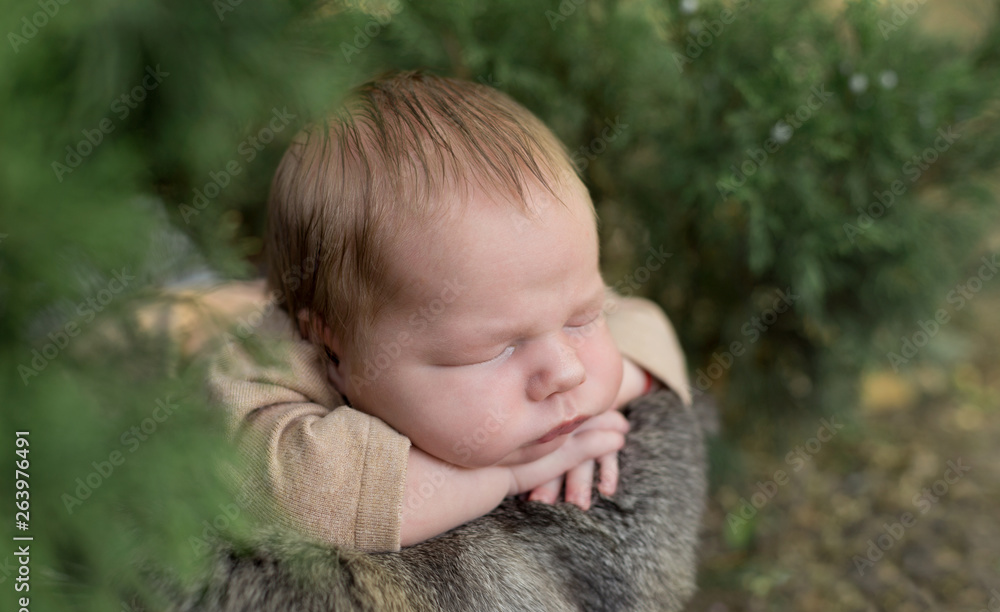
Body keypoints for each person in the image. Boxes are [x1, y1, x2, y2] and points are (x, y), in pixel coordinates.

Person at [206, 70, 691, 553]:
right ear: (334, 348)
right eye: (496, 350)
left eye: (582, 317)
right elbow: (296, 493)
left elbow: (646, 327)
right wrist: (513, 474)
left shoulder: (516, 300)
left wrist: (598, 396)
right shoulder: (267, 365)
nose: (567, 370)